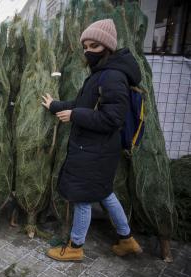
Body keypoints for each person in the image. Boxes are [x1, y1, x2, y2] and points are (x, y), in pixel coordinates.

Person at [41, 19, 143, 261]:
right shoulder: (101, 74)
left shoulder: (112, 77)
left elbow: (112, 119)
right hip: (99, 150)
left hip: (95, 150)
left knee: (82, 198)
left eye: (94, 46)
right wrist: (55, 105)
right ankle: (127, 239)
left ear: (107, 47)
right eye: (85, 46)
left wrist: (75, 115)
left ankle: (75, 247)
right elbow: (83, 105)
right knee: (106, 193)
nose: (88, 51)